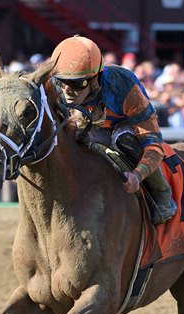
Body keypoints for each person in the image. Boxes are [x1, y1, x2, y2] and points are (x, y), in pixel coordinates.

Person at [50, 35, 177, 224]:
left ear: (96, 78)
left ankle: (161, 194)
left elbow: (153, 142)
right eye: (62, 82)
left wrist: (138, 174)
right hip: (87, 129)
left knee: (123, 138)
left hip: (125, 129)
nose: (68, 91)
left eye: (78, 84)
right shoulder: (53, 88)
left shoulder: (123, 84)